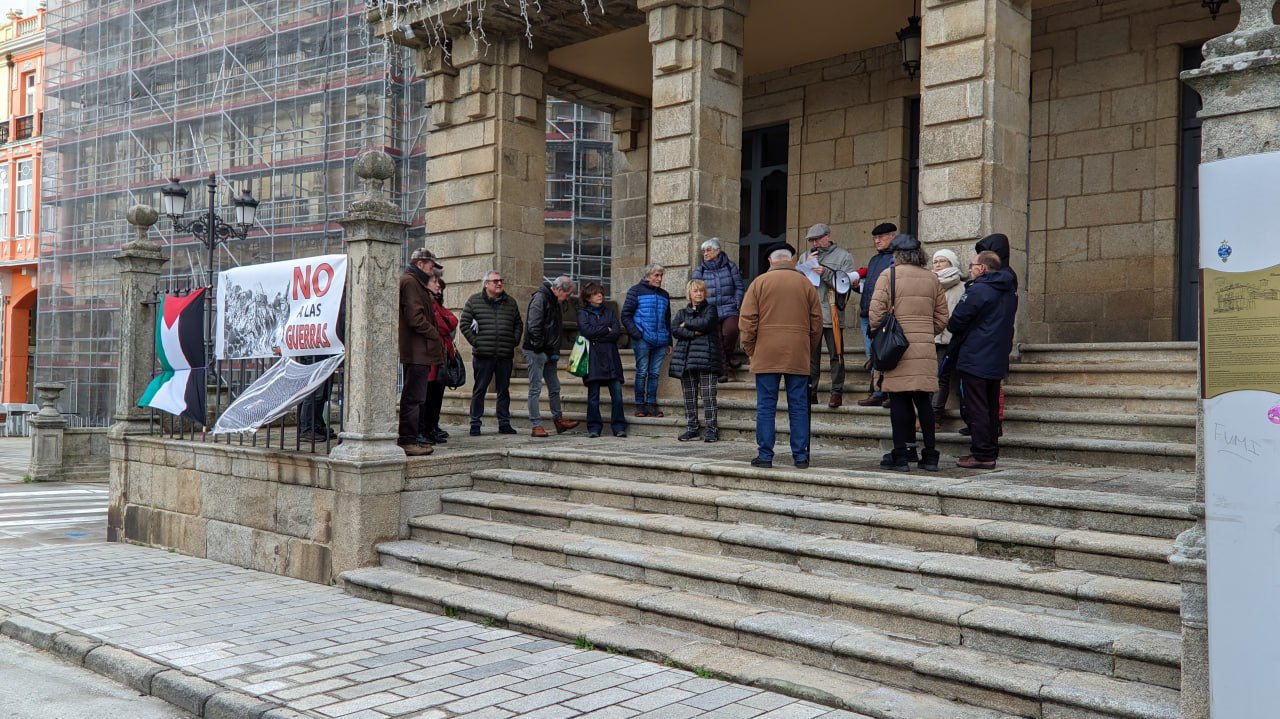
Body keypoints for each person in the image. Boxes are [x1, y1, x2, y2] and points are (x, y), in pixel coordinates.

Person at [868, 236, 949, 471]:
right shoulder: (932, 278)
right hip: (923, 347)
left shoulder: (889, 275)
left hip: (897, 347)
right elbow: (942, 318)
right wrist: (923, 330)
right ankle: (930, 456)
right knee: (923, 400)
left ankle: (901, 456)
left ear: (897, 255)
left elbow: (875, 314)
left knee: (899, 401)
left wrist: (885, 333)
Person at [739, 243, 823, 469]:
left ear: (770, 261)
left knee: (766, 406)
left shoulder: (759, 283)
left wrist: (751, 350)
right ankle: (801, 456)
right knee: (799, 406)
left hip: (766, 351)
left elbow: (747, 322)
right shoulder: (805, 284)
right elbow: (817, 323)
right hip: (797, 351)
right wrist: (807, 346)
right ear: (791, 260)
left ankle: (765, 456)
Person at [947, 248, 1018, 470]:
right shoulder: (1009, 290)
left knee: (976, 406)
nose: (970, 269)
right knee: (989, 405)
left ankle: (982, 454)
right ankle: (990, 449)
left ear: (983, 268)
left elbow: (956, 321)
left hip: (976, 355)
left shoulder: (980, 289)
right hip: (996, 356)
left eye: (972, 266)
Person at [459, 270, 523, 436]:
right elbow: (464, 324)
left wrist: (514, 340)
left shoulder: (511, 302)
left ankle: (504, 423)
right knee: (480, 390)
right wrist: (476, 342)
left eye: (501, 280)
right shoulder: (474, 301)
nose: (499, 283)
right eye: (495, 281)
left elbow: (518, 323)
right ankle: (475, 424)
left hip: (504, 354)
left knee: (504, 390)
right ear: (486, 284)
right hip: (483, 355)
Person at [397, 248, 446, 456]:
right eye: (431, 265)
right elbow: (415, 317)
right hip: (416, 349)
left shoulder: (415, 282)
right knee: (414, 397)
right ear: (420, 264)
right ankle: (408, 440)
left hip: (419, 349)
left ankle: (411, 437)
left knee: (416, 396)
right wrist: (433, 333)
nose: (432, 269)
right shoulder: (410, 282)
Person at [803, 223, 856, 408]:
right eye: (812, 240)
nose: (815, 243)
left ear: (828, 236)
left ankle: (836, 392)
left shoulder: (843, 256)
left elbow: (846, 284)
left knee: (837, 355)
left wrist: (825, 273)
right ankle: (811, 392)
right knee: (811, 358)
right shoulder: (806, 255)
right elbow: (797, 280)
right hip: (810, 314)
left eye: (818, 239)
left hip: (832, 312)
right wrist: (806, 266)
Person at [523, 275, 580, 438]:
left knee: (554, 386)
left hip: (548, 350)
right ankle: (536, 425)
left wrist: (552, 351)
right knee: (535, 388)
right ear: (560, 290)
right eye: (568, 295)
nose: (567, 298)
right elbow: (534, 326)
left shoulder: (554, 301)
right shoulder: (541, 298)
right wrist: (540, 349)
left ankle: (558, 420)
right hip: (536, 350)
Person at [668, 279, 722, 443]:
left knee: (708, 396)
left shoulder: (710, 310)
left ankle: (712, 430)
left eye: (701, 291)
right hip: (686, 360)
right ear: (689, 294)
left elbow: (705, 323)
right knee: (689, 397)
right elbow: (675, 330)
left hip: (707, 358)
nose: (698, 294)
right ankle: (692, 428)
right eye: (695, 291)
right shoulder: (681, 313)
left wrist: (687, 325)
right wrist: (694, 333)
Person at [577, 282, 628, 438]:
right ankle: (594, 428)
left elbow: (616, 332)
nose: (600, 295)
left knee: (617, 395)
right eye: (595, 293)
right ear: (588, 297)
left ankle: (619, 427)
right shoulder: (582, 313)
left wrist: (598, 334)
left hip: (611, 357)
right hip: (592, 358)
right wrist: (606, 329)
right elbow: (586, 331)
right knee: (593, 396)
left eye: (601, 293)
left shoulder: (610, 312)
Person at [690, 238, 745, 383]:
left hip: (729, 308)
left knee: (731, 331)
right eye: (704, 251)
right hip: (710, 310)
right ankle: (725, 371)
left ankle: (728, 357)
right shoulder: (700, 270)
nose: (705, 253)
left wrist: (736, 302)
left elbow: (739, 286)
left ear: (718, 251)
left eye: (709, 250)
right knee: (718, 339)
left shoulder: (730, 266)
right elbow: (694, 290)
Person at [856, 222, 899, 408]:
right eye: (874, 238)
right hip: (867, 312)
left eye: (880, 237)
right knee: (872, 355)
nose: (877, 241)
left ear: (893, 236)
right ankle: (877, 391)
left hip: (885, 315)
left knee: (885, 354)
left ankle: (888, 391)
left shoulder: (896, 258)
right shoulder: (874, 260)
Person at [621, 263, 672, 418]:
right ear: (648, 276)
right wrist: (637, 334)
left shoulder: (664, 294)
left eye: (661, 275)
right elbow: (625, 315)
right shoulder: (635, 291)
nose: (659, 278)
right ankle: (639, 405)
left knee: (654, 373)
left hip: (661, 340)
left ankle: (651, 405)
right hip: (643, 339)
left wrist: (669, 340)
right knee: (642, 372)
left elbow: (667, 319)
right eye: (656, 275)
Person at [418, 271, 457, 446]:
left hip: (441, 353)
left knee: (436, 394)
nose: (438, 287)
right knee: (426, 395)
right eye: (436, 283)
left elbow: (452, 320)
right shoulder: (428, 302)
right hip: (430, 354)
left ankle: (431, 427)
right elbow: (442, 324)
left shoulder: (436, 302)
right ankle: (423, 429)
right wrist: (447, 323)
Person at [931, 248, 967, 430]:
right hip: (930, 338)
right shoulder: (930, 284)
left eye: (942, 261)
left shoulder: (961, 287)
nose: (937, 264)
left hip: (949, 339)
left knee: (941, 377)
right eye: (935, 261)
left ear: (952, 264)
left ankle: (934, 416)